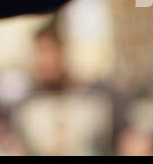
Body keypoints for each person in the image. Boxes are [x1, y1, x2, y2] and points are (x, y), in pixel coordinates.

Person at [11, 19, 127, 155]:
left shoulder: (97, 96)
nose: (46, 60)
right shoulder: (25, 107)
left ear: (63, 51)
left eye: (50, 51)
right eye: (41, 52)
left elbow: (127, 138)